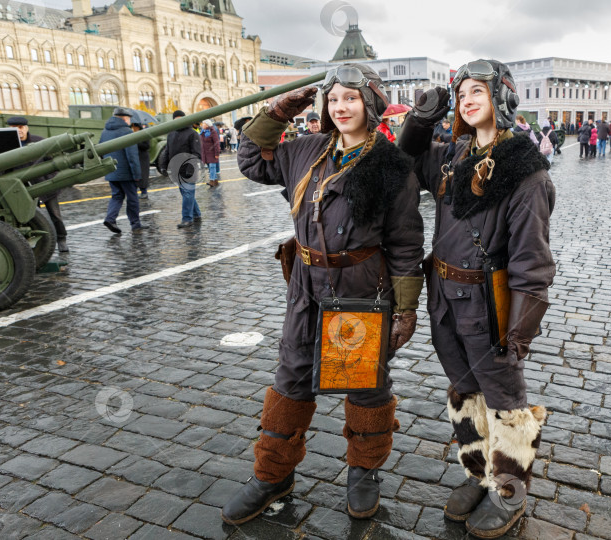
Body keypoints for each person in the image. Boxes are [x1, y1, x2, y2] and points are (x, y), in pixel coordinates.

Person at [222, 63, 424, 525]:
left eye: (350, 98)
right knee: (291, 377)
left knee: (364, 383)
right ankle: (272, 474)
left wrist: (405, 309)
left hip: (358, 289)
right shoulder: (307, 150)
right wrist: (274, 113)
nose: (341, 107)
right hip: (305, 286)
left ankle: (363, 471)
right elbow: (253, 161)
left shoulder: (391, 166)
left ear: (369, 104)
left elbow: (407, 243)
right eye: (333, 100)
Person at [398, 59, 553, 539]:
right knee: (465, 390)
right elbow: (407, 160)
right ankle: (478, 474)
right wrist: (421, 119)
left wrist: (519, 331)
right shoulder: (452, 156)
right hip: (445, 297)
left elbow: (532, 262)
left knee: (505, 400)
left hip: (487, 303)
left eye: (477, 92)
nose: (466, 100)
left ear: (502, 99)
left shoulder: (527, 174)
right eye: (461, 92)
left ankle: (508, 488)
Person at [5, 116, 70, 252]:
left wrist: (51, 179)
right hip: (23, 189)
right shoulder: (7, 145)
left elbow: (53, 161)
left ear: (26, 127)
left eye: (21, 127)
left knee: (55, 216)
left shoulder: (38, 141)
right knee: (29, 218)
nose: (19, 131)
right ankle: (36, 245)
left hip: (46, 187)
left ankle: (62, 239)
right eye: (14, 128)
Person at [99, 108, 147, 234]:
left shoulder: (105, 131)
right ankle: (135, 225)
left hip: (111, 171)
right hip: (126, 173)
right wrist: (137, 175)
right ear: (125, 118)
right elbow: (132, 155)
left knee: (117, 196)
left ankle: (110, 219)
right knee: (132, 198)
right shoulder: (127, 132)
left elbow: (100, 151)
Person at [163, 110, 203, 228]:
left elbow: (196, 153)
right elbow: (167, 151)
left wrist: (191, 168)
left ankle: (187, 219)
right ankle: (196, 214)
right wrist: (163, 166)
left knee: (187, 194)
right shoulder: (171, 134)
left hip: (187, 170)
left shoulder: (192, 133)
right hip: (176, 170)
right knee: (187, 194)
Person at [130, 122, 151, 199]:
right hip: (134, 157)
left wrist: (137, 142)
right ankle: (134, 192)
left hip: (142, 158)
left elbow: (147, 146)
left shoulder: (144, 134)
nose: (134, 128)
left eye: (135, 127)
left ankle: (144, 191)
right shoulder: (130, 134)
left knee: (143, 175)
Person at [200, 120, 220, 187]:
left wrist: (217, 153)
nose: (202, 125)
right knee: (210, 167)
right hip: (205, 154)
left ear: (207, 125)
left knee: (212, 167)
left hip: (212, 153)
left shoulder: (213, 132)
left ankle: (212, 181)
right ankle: (215, 180)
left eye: (204, 124)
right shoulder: (202, 132)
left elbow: (216, 143)